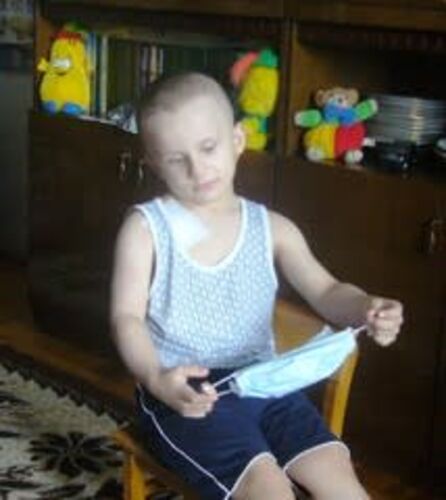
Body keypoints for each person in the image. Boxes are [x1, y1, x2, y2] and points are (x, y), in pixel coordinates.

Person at [110, 72, 403, 500]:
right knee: (266, 487)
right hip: (185, 394)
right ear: (153, 163)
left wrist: (366, 307)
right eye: (176, 159)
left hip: (265, 382)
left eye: (208, 147)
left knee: (335, 472)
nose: (197, 169)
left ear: (237, 140)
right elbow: (126, 318)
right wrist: (155, 377)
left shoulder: (274, 229)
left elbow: (327, 292)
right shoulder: (145, 229)